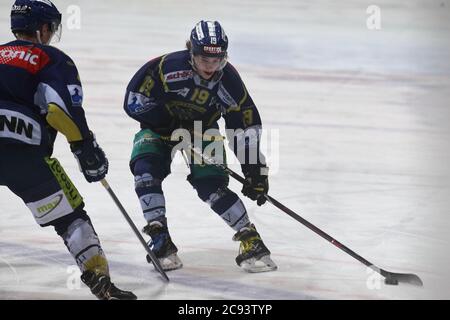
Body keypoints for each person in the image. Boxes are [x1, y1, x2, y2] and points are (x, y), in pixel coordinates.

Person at [0, 0, 136, 300]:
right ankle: (99, 280)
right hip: (25, 155)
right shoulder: (49, 58)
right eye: (51, 27)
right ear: (43, 28)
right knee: (71, 218)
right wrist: (85, 148)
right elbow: (60, 111)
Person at [123, 20, 277, 273]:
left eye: (216, 60)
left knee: (211, 184)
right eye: (204, 59)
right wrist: (164, 121)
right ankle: (159, 235)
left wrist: (254, 169)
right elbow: (134, 100)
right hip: (160, 127)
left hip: (202, 129)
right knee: (145, 169)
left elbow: (244, 125)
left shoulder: (229, 81)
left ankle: (251, 239)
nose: (210, 66)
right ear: (190, 51)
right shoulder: (165, 67)